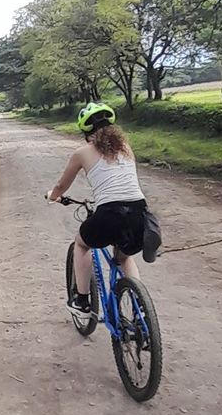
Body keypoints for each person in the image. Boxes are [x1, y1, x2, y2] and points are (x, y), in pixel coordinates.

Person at [47, 102, 148, 313]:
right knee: (124, 256)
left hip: (110, 213)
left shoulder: (82, 153)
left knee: (82, 244)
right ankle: (140, 307)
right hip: (140, 213)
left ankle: (82, 300)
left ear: (86, 132)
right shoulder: (126, 149)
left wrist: (53, 197)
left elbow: (61, 186)